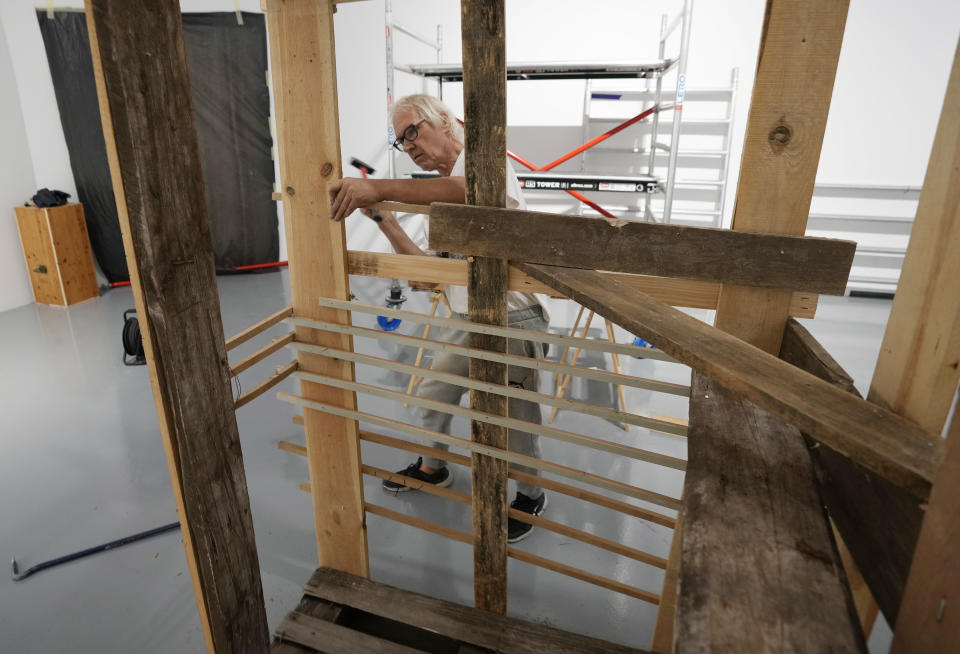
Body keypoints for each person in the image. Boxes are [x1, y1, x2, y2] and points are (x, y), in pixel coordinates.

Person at [329, 94, 550, 543]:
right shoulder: (444, 190)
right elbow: (429, 277)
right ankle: (434, 468)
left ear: (445, 122)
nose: (408, 145)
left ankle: (530, 494)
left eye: (413, 131)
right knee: (433, 394)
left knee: (514, 417)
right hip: (467, 317)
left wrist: (381, 187)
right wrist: (384, 219)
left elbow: (471, 190)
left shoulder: (484, 163)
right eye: (400, 140)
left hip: (514, 319)